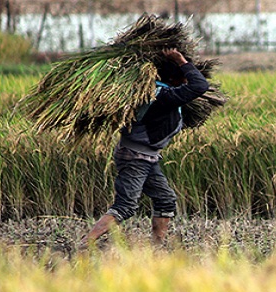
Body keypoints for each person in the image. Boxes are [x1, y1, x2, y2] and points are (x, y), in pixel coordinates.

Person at [85, 48, 209, 245]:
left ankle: (157, 247)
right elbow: (199, 85)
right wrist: (181, 60)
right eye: (182, 77)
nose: (185, 81)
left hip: (147, 157)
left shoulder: (159, 92)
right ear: (173, 77)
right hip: (135, 157)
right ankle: (85, 244)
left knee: (165, 200)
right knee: (125, 207)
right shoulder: (160, 96)